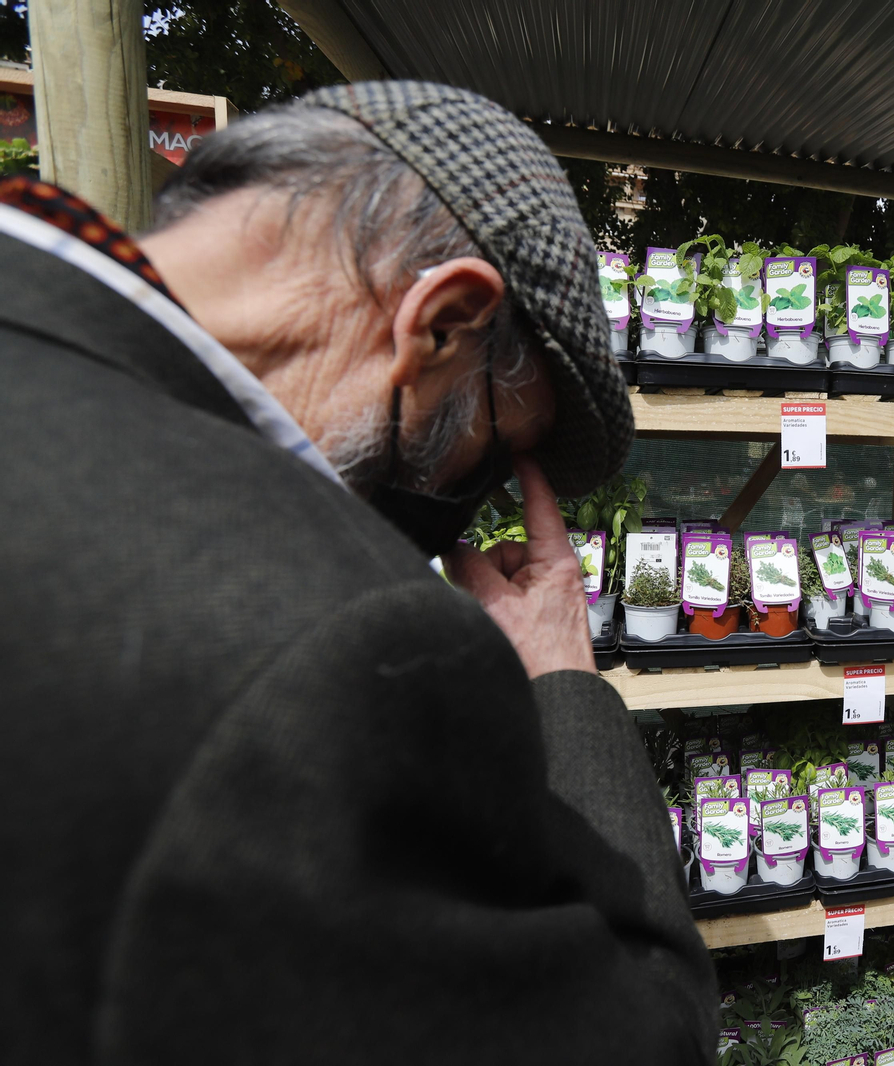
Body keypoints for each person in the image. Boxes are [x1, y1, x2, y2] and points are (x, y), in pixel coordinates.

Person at [0, 82, 715, 1062]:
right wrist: (559, 674)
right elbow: (645, 1038)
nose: (473, 502)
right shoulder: (324, 639)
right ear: (441, 322)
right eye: (493, 452)